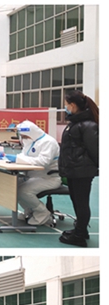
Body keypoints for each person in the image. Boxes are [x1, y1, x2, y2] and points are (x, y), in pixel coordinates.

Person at [58, 90, 99, 247]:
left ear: (73, 105)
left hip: (82, 171)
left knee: (82, 202)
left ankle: (80, 236)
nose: (65, 107)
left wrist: (95, 168)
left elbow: (95, 150)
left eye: (66, 104)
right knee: (76, 200)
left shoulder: (88, 125)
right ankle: (80, 229)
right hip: (73, 170)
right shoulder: (74, 123)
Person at [5, 120, 61, 226]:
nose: (23, 138)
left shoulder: (48, 142)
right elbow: (24, 156)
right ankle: (29, 211)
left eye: (24, 136)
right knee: (13, 185)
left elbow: (43, 162)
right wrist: (16, 159)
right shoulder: (30, 141)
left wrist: (19, 159)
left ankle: (42, 213)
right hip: (33, 176)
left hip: (49, 178)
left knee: (23, 191)